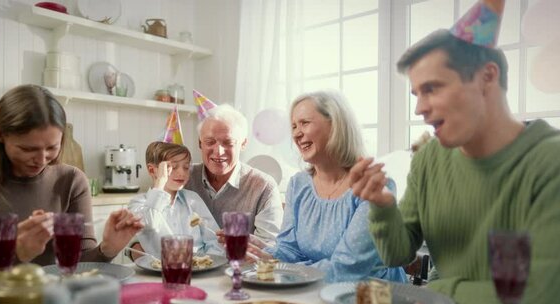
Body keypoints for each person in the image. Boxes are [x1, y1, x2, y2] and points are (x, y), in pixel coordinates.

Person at [348, 29, 560, 304]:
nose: (419, 108)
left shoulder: (552, 160)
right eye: (417, 94)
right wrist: (382, 207)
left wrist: (438, 290)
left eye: (432, 89)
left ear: (487, 77)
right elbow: (396, 254)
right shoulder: (428, 160)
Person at [0, 84, 143, 288]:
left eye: (52, 147)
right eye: (28, 148)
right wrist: (15, 252)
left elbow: (80, 267)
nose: (41, 159)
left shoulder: (71, 180)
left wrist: (106, 249)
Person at [250, 91, 407, 283]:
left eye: (304, 123)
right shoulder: (298, 184)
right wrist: (264, 255)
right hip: (316, 290)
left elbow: (348, 265)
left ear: (335, 125)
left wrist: (284, 268)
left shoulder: (373, 185)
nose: (297, 134)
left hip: (371, 298)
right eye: (293, 126)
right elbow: (289, 248)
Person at [184, 104, 284, 248]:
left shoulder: (264, 186)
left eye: (228, 142)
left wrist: (243, 243)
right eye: (210, 142)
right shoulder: (183, 178)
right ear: (200, 143)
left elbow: (269, 248)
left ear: (243, 144)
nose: (218, 151)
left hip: (241, 268)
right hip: (191, 267)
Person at [127, 141, 224, 258]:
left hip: (198, 269)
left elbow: (213, 240)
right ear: (152, 170)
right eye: (172, 167)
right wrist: (160, 182)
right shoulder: (138, 204)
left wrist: (207, 263)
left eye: (186, 167)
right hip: (160, 272)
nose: (181, 172)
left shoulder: (193, 199)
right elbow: (151, 222)